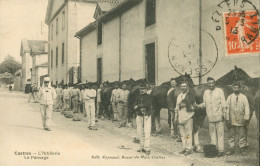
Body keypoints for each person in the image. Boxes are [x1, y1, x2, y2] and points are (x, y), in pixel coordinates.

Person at [197, 77, 227, 157]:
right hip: (210, 117)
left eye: (212, 83)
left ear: (215, 83)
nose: (211, 85)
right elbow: (204, 104)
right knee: (212, 134)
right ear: (207, 84)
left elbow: (224, 103)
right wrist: (197, 106)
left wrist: (224, 114)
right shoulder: (206, 92)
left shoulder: (219, 91)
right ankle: (214, 149)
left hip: (219, 116)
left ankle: (221, 150)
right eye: (209, 83)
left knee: (220, 134)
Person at [226, 82, 250, 155]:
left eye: (237, 88)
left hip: (241, 118)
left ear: (240, 88)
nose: (236, 89)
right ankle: (231, 148)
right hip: (232, 118)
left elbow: (247, 108)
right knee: (231, 135)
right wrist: (227, 119)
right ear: (232, 88)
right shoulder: (229, 97)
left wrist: (246, 118)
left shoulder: (244, 97)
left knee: (242, 135)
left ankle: (242, 148)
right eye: (234, 88)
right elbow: (226, 108)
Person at [174, 82, 195, 156]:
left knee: (188, 134)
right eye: (182, 86)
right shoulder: (179, 96)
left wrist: (185, 105)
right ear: (180, 87)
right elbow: (176, 107)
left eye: (184, 86)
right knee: (183, 134)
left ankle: (188, 148)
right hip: (180, 117)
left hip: (188, 116)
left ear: (187, 87)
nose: (183, 88)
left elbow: (193, 106)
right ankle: (184, 147)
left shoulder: (190, 95)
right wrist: (175, 117)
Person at [134, 84, 152, 155]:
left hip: (147, 115)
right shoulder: (138, 97)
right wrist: (136, 106)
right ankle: (141, 147)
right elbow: (133, 105)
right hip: (139, 115)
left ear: (146, 89)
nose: (142, 90)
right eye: (141, 89)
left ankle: (147, 148)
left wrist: (138, 106)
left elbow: (148, 104)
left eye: (144, 89)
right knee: (139, 132)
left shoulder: (149, 96)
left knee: (147, 132)